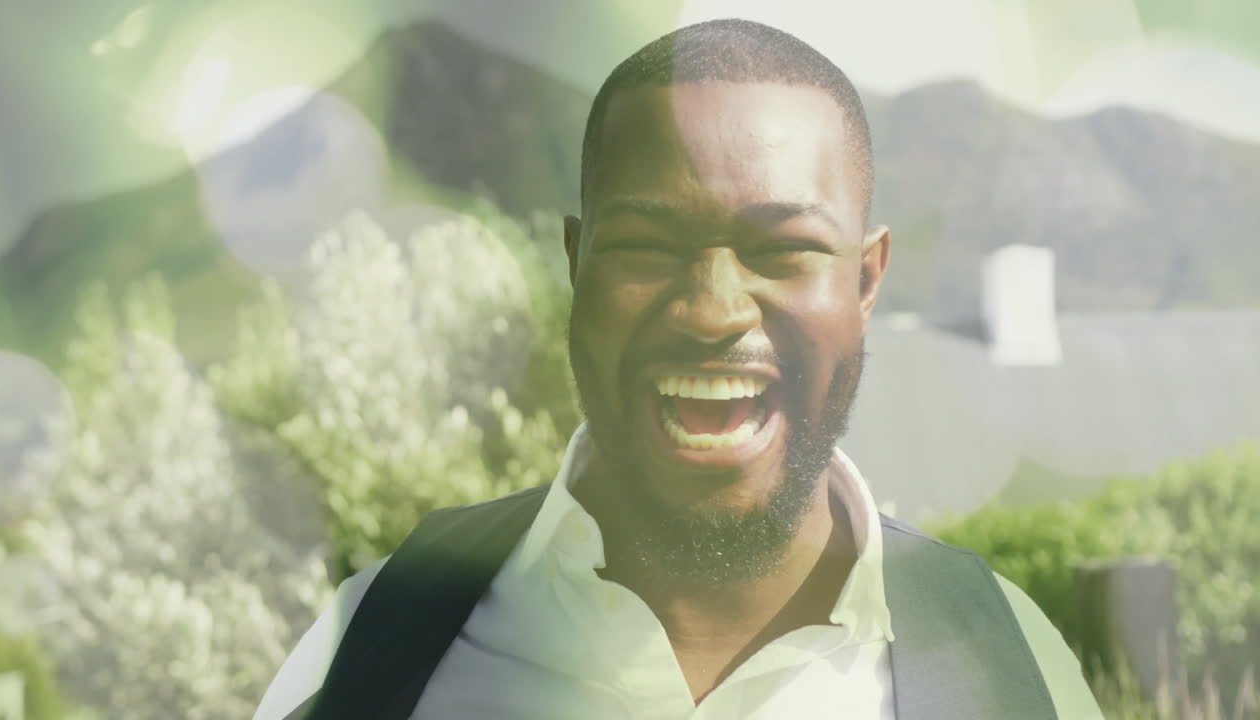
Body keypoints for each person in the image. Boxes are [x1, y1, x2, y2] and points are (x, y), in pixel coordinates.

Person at [254, 18, 1103, 719]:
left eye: (783, 248)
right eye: (647, 247)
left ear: (866, 278)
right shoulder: (375, 645)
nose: (714, 308)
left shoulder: (1015, 670)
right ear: (577, 263)